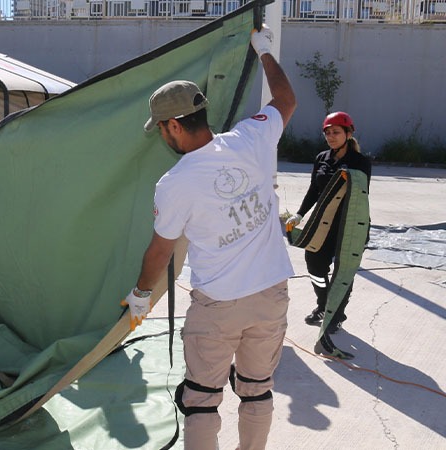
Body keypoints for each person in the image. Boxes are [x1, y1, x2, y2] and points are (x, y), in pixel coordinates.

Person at [120, 26, 296, 450]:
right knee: (257, 390)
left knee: (201, 401)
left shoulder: (175, 182)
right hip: (271, 295)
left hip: (218, 306)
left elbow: (160, 252)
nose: (161, 135)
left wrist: (141, 296)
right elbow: (286, 101)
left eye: (161, 128)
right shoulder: (251, 138)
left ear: (174, 127)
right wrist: (265, 52)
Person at [285, 112, 371, 334]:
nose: (331, 137)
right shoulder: (322, 158)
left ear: (348, 133)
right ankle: (323, 305)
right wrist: (300, 214)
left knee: (343, 273)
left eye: (336, 132)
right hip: (322, 224)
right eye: (328, 133)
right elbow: (314, 189)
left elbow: (359, 196)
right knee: (314, 263)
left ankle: (336, 314)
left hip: (348, 226)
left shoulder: (360, 162)